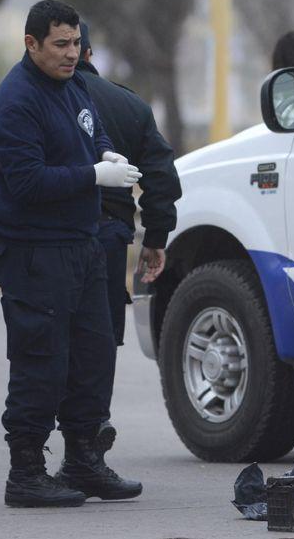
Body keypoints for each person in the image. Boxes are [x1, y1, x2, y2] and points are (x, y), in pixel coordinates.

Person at [0, 0, 142, 508]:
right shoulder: (15, 102)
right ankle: (26, 472)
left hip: (82, 245)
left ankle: (83, 461)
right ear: (31, 44)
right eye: (60, 45)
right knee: (41, 362)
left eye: (75, 43)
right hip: (34, 250)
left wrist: (106, 153)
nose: (72, 53)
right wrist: (94, 176)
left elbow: (92, 132)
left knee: (91, 359)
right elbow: (26, 182)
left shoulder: (71, 85)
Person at [75, 22, 181, 354]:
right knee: (96, 354)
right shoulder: (128, 105)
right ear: (90, 54)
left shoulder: (23, 101)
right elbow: (161, 175)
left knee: (43, 354)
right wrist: (155, 239)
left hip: (42, 242)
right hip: (107, 237)